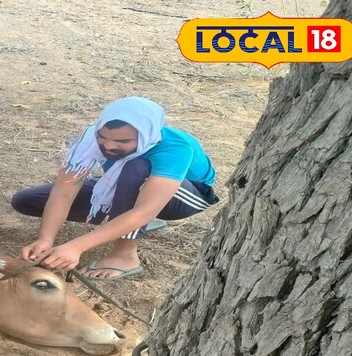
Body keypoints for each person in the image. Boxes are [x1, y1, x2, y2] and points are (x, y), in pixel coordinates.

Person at [13, 96, 218, 280]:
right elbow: (63, 192)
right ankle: (127, 221)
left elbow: (144, 211)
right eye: (103, 137)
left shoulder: (176, 147)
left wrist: (76, 247)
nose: (109, 146)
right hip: (126, 182)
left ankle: (125, 255)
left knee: (136, 167)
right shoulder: (90, 136)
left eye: (123, 141)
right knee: (27, 200)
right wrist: (45, 239)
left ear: (146, 135)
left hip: (184, 197)